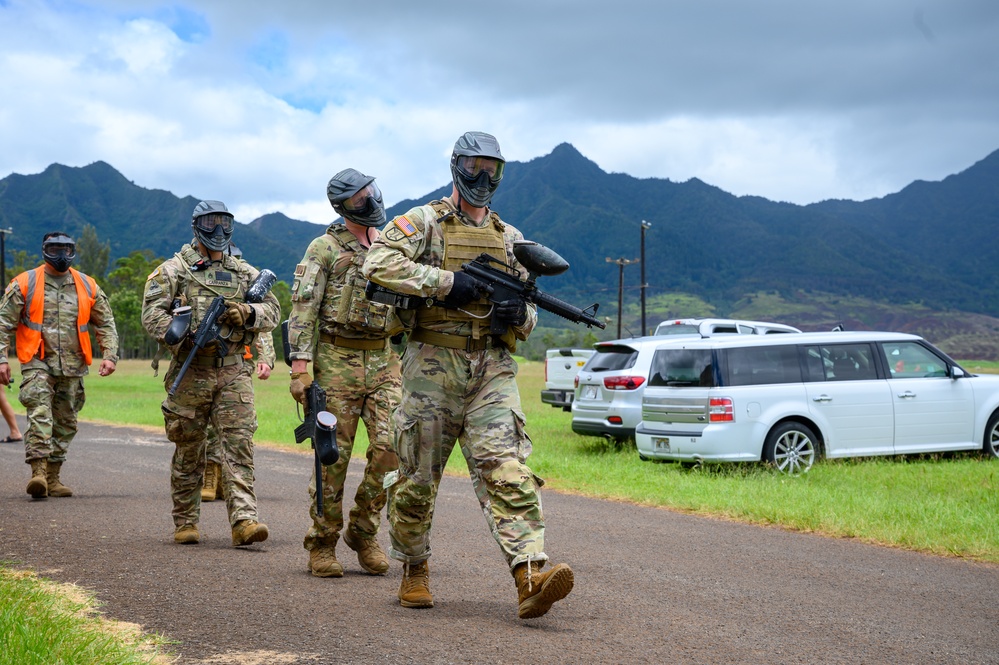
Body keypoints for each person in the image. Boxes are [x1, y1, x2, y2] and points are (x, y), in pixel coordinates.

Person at [362, 131, 574, 619]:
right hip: (432, 366)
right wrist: (447, 283)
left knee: (509, 470)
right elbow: (378, 263)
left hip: (492, 371)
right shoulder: (423, 222)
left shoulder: (511, 239)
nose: (483, 177)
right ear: (456, 166)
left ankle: (529, 576)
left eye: (492, 168)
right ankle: (414, 568)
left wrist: (515, 311)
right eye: (474, 166)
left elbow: (531, 318)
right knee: (416, 480)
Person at [288, 168, 408, 578]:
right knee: (331, 457)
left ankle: (363, 530)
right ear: (342, 206)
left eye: (371, 192)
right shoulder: (324, 248)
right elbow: (303, 308)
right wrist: (300, 370)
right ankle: (322, 542)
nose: (370, 201)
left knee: (394, 450)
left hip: (384, 360)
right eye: (359, 199)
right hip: (335, 360)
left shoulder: (392, 245)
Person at [141, 200, 280, 546]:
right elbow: (151, 315)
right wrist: (183, 335)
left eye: (224, 223)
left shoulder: (245, 272)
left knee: (238, 446)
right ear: (196, 227)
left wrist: (247, 313)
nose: (218, 231)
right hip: (191, 372)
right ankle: (186, 521)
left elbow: (273, 310)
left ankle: (244, 521)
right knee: (189, 448)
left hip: (233, 371)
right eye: (210, 223)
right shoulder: (173, 271)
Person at [0, 231, 118, 498]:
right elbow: (3, 324)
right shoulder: (25, 283)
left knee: (66, 422)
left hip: (73, 365)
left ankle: (53, 477)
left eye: (66, 249)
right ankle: (38, 474)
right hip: (36, 361)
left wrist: (110, 355)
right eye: (55, 249)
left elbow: (106, 323)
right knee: (41, 414)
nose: (62, 255)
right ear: (44, 250)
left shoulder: (87, 285)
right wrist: (2, 359)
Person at [202, 334, 276, 502]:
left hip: (238, 363)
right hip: (201, 362)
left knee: (239, 424)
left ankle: (233, 478)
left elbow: (263, 327)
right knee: (205, 422)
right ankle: (210, 472)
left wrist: (266, 357)